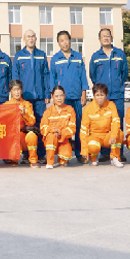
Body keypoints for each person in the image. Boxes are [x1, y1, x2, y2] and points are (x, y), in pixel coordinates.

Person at [89, 28, 129, 162]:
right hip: (103, 97)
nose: (106, 38)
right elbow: (93, 75)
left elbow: (124, 73)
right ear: (99, 39)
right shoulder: (96, 56)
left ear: (111, 38)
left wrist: (119, 84)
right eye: (103, 36)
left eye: (108, 36)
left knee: (118, 123)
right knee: (103, 125)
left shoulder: (120, 54)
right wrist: (100, 92)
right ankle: (105, 153)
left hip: (117, 95)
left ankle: (119, 152)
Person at [11, 29, 50, 163]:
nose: (31, 39)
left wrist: (47, 93)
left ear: (36, 39)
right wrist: (16, 96)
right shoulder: (19, 56)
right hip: (24, 97)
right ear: (24, 39)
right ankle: (26, 154)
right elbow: (15, 76)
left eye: (33, 36)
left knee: (40, 125)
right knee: (24, 126)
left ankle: (41, 154)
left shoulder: (41, 55)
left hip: (39, 97)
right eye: (28, 36)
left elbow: (46, 75)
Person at [49, 31, 88, 161]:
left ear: (70, 40)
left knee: (78, 125)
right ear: (58, 43)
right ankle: (63, 152)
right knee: (62, 125)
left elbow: (83, 76)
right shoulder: (55, 59)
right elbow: (52, 78)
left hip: (76, 97)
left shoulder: (78, 57)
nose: (64, 43)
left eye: (66, 39)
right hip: (62, 99)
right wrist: (54, 97)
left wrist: (84, 93)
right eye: (61, 40)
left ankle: (80, 153)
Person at [79, 83, 124, 168]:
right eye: (97, 95)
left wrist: (113, 135)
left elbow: (116, 122)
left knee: (119, 134)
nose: (100, 97)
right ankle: (93, 159)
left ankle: (114, 158)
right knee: (93, 147)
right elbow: (84, 130)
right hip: (94, 137)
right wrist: (84, 150)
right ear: (94, 95)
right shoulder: (88, 109)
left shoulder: (111, 105)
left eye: (102, 95)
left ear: (106, 95)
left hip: (107, 137)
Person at [4, 80, 39, 168]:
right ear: (10, 91)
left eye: (18, 89)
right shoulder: (6, 105)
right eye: (14, 90)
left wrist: (24, 114)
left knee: (32, 136)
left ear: (21, 90)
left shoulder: (27, 104)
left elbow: (32, 122)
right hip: (12, 136)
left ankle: (33, 160)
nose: (17, 92)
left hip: (23, 135)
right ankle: (14, 159)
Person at [40, 85, 76, 169]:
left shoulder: (70, 110)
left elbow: (72, 129)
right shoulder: (48, 111)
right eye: (56, 96)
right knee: (51, 136)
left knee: (66, 155)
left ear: (64, 96)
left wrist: (61, 132)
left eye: (61, 96)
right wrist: (53, 131)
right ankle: (50, 162)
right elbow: (43, 127)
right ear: (52, 96)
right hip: (51, 140)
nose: (59, 98)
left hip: (63, 139)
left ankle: (61, 158)